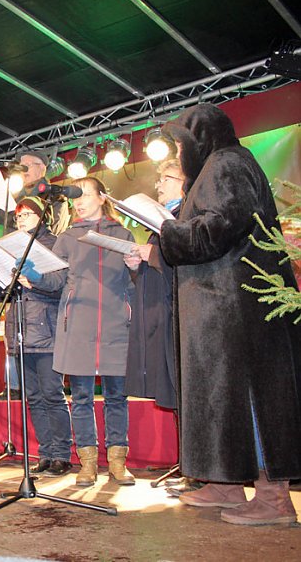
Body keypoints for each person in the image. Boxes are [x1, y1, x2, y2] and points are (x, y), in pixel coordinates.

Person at [157, 103, 301, 525]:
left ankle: (274, 498)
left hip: (238, 309)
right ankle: (226, 482)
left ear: (201, 138)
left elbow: (219, 228)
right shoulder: (213, 169)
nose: (179, 153)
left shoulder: (228, 163)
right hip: (218, 308)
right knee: (221, 399)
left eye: (181, 145)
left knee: (250, 397)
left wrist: (168, 229)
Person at [26, 177, 135, 487]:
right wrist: (35, 275)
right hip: (77, 325)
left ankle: (117, 462)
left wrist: (137, 266)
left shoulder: (123, 234)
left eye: (86, 194)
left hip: (116, 324)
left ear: (102, 197)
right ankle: (87, 463)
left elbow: (135, 282)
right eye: (76, 197)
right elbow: (56, 281)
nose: (80, 201)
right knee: (82, 397)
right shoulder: (68, 238)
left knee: (117, 397)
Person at [0, 197, 72, 476]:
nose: (20, 220)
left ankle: (62, 454)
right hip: (19, 329)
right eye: (18, 216)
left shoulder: (53, 244)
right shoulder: (11, 247)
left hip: (46, 330)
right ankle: (46, 453)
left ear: (42, 216)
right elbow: (6, 294)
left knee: (52, 394)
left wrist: (33, 278)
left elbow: (60, 285)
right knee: (33, 397)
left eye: (26, 214)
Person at [123, 159, 185, 410]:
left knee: (183, 397)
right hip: (157, 315)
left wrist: (155, 255)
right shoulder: (160, 224)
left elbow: (188, 263)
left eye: (165, 179)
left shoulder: (186, 219)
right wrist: (136, 267)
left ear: (184, 183)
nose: (158, 185)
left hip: (176, 318)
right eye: (159, 179)